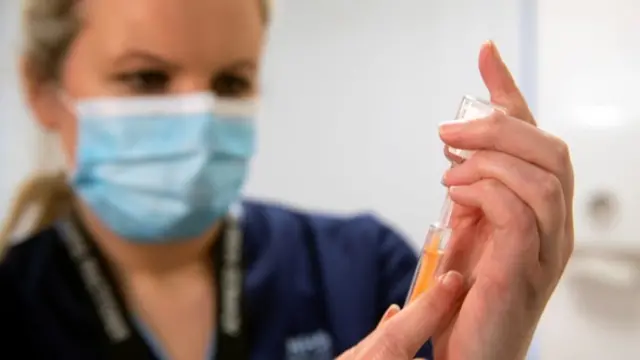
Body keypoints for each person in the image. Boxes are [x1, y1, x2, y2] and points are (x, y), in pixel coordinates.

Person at [0, 0, 575, 359]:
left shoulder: (362, 270)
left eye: (229, 83)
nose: (199, 119)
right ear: (40, 91)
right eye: (146, 78)